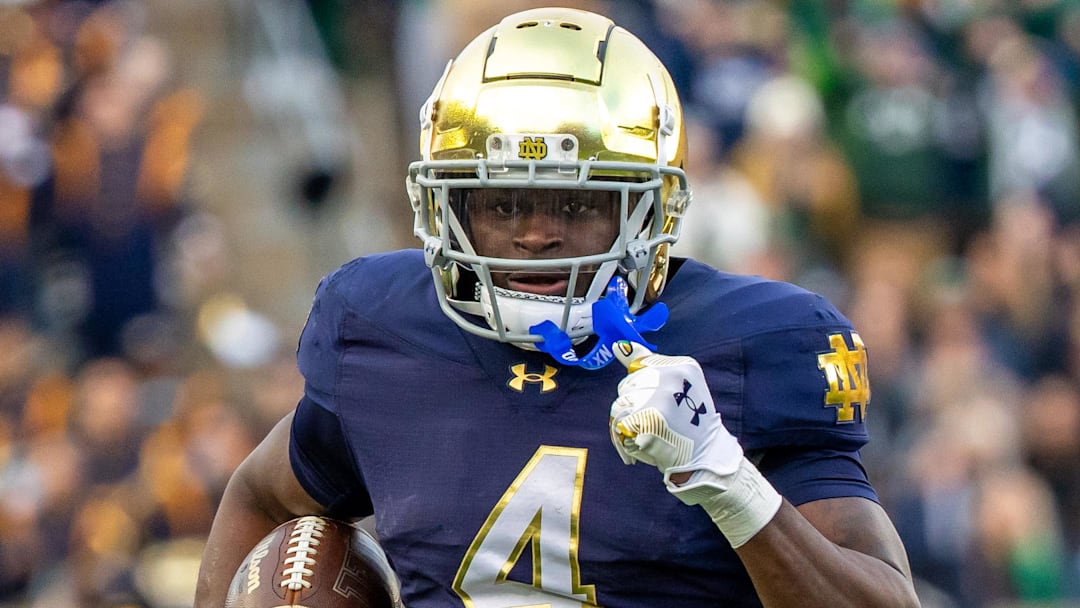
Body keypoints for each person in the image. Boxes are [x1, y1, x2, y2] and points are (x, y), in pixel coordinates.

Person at [195, 7, 920, 607]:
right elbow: (262, 496)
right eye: (504, 200)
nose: (537, 232)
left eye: (577, 202)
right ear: (445, 206)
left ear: (651, 208)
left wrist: (728, 481)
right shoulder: (384, 328)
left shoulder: (755, 345)